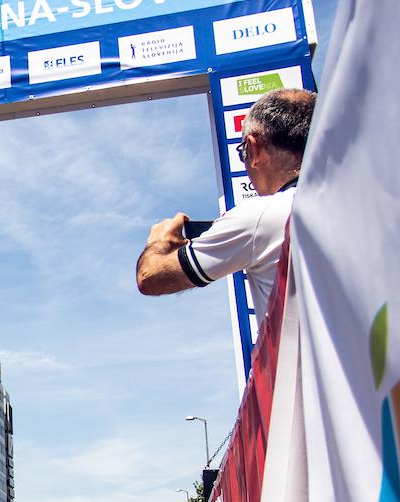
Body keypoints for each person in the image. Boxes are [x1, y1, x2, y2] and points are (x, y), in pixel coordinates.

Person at [135, 89, 317, 325]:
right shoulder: (365, 204)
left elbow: (150, 277)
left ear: (253, 147)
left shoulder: (261, 217)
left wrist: (159, 242)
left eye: (243, 153)